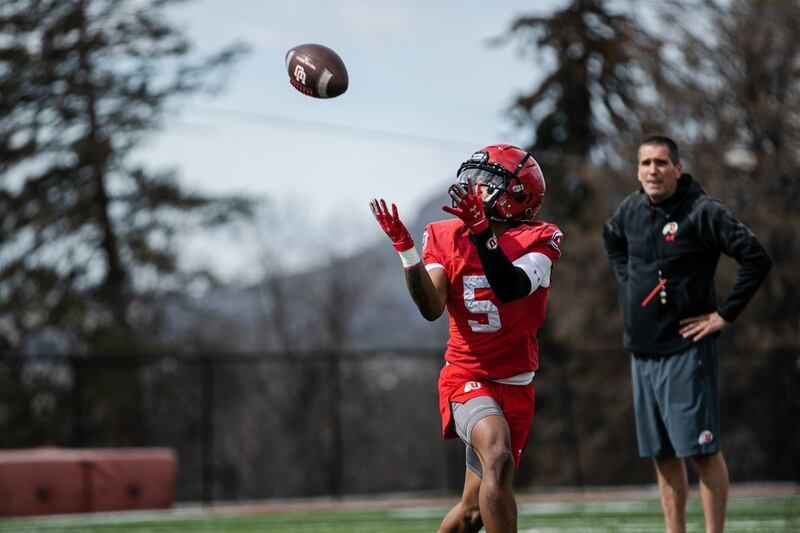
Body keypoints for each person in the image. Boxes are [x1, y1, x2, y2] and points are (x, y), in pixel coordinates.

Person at [370, 144, 563, 532]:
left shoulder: (541, 238)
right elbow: (432, 306)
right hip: (466, 377)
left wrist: (482, 235)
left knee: (473, 512)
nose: (475, 187)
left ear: (518, 196)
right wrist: (408, 253)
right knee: (498, 457)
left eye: (490, 182)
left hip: (517, 383)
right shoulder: (446, 234)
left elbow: (510, 287)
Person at [602, 134, 772, 533]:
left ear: (678, 169)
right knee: (662, 455)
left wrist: (724, 315)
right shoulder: (631, 209)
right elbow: (611, 239)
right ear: (637, 171)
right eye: (645, 163)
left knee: (702, 451)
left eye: (661, 162)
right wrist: (629, 285)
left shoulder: (702, 211)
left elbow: (756, 258)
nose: (653, 170)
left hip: (686, 350)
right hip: (642, 351)